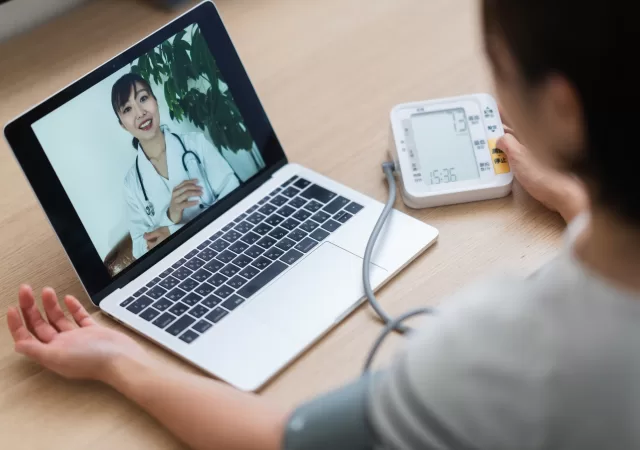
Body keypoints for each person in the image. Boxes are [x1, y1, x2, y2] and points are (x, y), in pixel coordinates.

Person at [6, 0, 640, 448]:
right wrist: (577, 199)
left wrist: (121, 359)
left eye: (496, 58)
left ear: (564, 109)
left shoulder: (498, 357)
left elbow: (282, 439)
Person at [113, 73, 240, 258]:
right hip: (183, 263)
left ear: (155, 101)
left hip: (227, 239)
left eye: (143, 98)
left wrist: (173, 231)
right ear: (123, 125)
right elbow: (139, 249)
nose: (140, 113)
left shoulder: (196, 143)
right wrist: (170, 216)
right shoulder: (131, 184)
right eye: (127, 109)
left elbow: (234, 192)